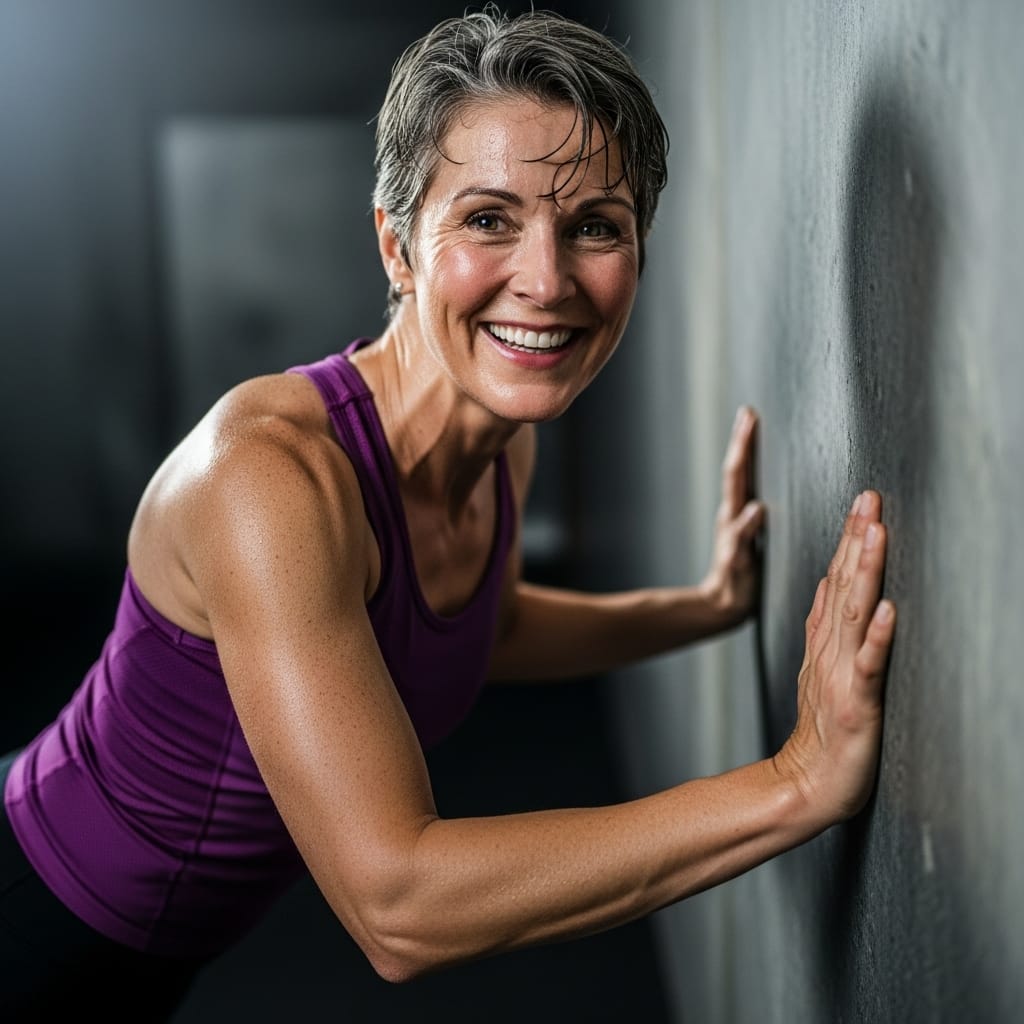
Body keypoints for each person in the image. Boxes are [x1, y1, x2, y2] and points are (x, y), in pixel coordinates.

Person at [0, 6, 895, 1018]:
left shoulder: (503, 431)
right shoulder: (267, 481)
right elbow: (399, 903)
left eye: (595, 224)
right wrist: (794, 782)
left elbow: (476, 621)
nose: (547, 280)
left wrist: (700, 608)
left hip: (155, 953)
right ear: (397, 245)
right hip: (31, 917)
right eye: (487, 218)